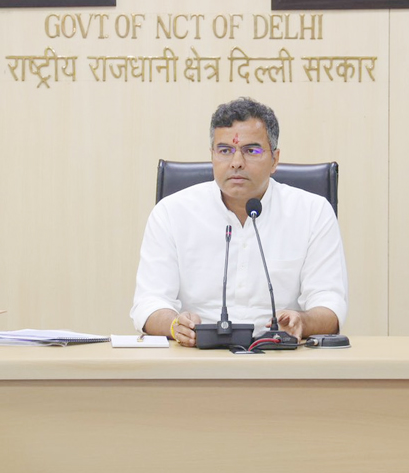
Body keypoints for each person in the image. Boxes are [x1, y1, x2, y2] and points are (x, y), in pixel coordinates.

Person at [131, 98, 347, 346]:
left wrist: (303, 322)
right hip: (195, 356)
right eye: (225, 151)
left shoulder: (313, 212)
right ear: (212, 156)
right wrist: (174, 325)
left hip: (280, 355)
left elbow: (330, 303)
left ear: (275, 159)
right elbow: (149, 303)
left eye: (251, 151)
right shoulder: (171, 212)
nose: (236, 162)